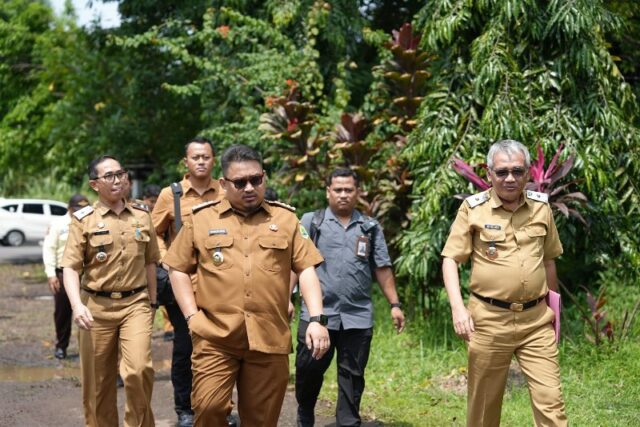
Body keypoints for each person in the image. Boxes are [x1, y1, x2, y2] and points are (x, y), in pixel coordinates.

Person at [164, 144, 330, 427]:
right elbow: (177, 267)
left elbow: (306, 269)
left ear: (264, 177)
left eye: (256, 179)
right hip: (215, 336)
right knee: (209, 407)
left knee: (262, 419)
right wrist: (191, 316)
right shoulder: (202, 219)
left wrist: (316, 319)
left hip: (268, 337)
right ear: (224, 184)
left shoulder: (285, 219)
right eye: (240, 182)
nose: (249, 187)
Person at [441, 139, 568, 427]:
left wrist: (554, 313)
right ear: (489, 174)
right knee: (484, 407)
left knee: (552, 402)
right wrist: (458, 309)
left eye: (517, 171)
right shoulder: (473, 210)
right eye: (502, 172)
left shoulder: (541, 208)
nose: (509, 178)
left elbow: (549, 261)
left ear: (527, 174)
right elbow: (450, 260)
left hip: (536, 322)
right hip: (488, 322)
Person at [294, 168, 406, 427]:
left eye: (348, 190)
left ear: (357, 193)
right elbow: (296, 263)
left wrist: (394, 305)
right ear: (328, 192)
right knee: (308, 371)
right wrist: (287, 299)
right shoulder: (312, 222)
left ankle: (347, 422)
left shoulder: (369, 226)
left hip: (357, 316)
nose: (343, 195)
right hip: (317, 316)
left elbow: (381, 266)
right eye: (338, 190)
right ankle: (305, 412)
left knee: (352, 377)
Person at [61, 155, 160, 427]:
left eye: (121, 174)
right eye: (110, 176)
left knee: (139, 371)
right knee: (98, 384)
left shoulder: (142, 215)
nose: (118, 180)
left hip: (136, 304)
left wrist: (152, 303)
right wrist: (76, 306)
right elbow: (70, 267)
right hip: (95, 308)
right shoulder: (84, 220)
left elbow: (151, 261)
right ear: (95, 184)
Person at [151, 136, 226, 427]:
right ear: (186, 162)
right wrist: (168, 260)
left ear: (214, 159)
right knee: (185, 348)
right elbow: (154, 232)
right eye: (195, 157)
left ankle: (218, 407)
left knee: (222, 349)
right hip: (184, 287)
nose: (201, 161)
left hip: (221, 284)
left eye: (206, 156)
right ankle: (185, 409)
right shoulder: (172, 195)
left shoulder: (225, 189)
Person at [42, 193, 90, 360]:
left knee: (89, 311)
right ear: (69, 208)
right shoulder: (58, 224)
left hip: (86, 273)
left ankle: (87, 349)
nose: (80, 212)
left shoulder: (92, 222)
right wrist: (50, 274)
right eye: (77, 209)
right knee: (63, 312)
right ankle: (61, 346)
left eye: (84, 209)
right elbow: (49, 249)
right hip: (63, 273)